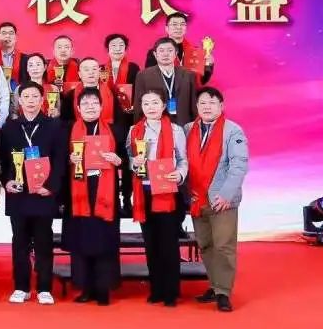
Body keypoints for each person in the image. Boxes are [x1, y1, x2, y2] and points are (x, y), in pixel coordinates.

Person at [0, 81, 66, 305]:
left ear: (42, 100)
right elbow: (3, 160)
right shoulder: (9, 128)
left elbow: (60, 160)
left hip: (44, 193)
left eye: (35, 96)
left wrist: (52, 186)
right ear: (19, 100)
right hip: (18, 193)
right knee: (19, 242)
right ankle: (21, 287)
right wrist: (6, 181)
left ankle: (44, 288)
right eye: (26, 97)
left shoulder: (54, 126)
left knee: (44, 241)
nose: (30, 101)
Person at [185, 87, 248, 313]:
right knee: (206, 245)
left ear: (221, 106)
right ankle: (214, 285)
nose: (207, 107)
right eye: (202, 103)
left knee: (223, 246)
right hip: (197, 198)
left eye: (212, 103)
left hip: (222, 200)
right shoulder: (188, 129)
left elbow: (239, 165)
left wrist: (227, 194)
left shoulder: (233, 130)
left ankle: (223, 292)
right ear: (197, 107)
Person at [127, 90, 188, 307]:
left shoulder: (175, 130)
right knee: (151, 243)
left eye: (155, 103)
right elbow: (129, 159)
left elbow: (183, 159)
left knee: (168, 244)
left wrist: (179, 174)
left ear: (163, 106)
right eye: (146, 103)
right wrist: (134, 163)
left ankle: (171, 291)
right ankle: (156, 289)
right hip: (144, 191)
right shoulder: (134, 131)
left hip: (167, 191)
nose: (150, 107)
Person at [64, 88, 124, 306]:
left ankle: (103, 289)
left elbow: (129, 160)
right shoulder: (68, 130)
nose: (90, 107)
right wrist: (69, 159)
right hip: (79, 191)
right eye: (85, 103)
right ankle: (86, 288)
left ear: (101, 106)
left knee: (104, 240)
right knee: (82, 240)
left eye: (94, 103)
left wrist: (118, 160)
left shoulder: (115, 130)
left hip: (105, 190)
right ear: (78, 108)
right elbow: (58, 160)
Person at [104, 33, 140, 215]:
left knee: (126, 162)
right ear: (107, 49)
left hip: (127, 121)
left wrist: (134, 106)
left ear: (126, 49)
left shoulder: (133, 68)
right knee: (109, 161)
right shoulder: (102, 69)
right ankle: (113, 200)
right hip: (108, 122)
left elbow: (139, 91)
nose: (117, 48)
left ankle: (127, 199)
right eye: (113, 45)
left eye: (121, 45)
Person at [134, 37, 197, 126]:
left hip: (184, 124)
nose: (165, 54)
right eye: (161, 51)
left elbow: (194, 104)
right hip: (155, 125)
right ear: (155, 54)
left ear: (176, 53)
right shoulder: (143, 75)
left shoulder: (188, 74)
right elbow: (138, 105)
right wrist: (138, 127)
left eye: (170, 50)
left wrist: (195, 125)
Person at [145, 12, 215, 84]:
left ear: (186, 28)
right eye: (174, 24)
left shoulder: (195, 52)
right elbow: (149, 77)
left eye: (182, 24)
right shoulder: (156, 52)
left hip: (189, 90)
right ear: (166, 28)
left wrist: (208, 65)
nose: (179, 27)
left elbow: (201, 81)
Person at [0, 21, 29, 90]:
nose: (8, 36)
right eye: (4, 33)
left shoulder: (26, 59)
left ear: (16, 38)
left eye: (11, 33)